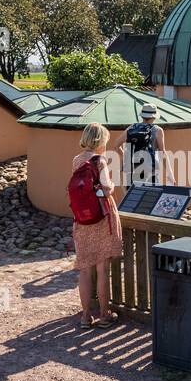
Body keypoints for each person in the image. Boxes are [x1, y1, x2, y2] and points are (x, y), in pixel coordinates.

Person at [70, 123, 122, 327]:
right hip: (100, 218)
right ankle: (103, 314)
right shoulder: (99, 160)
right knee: (102, 269)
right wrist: (110, 185)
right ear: (100, 140)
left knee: (84, 269)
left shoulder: (76, 160)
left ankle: (85, 317)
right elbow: (107, 189)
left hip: (82, 219)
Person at [123, 103, 166, 185]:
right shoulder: (157, 130)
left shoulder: (132, 128)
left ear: (142, 115)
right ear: (154, 116)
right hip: (151, 172)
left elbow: (116, 146)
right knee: (151, 196)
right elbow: (162, 152)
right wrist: (170, 174)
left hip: (133, 171)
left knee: (134, 196)